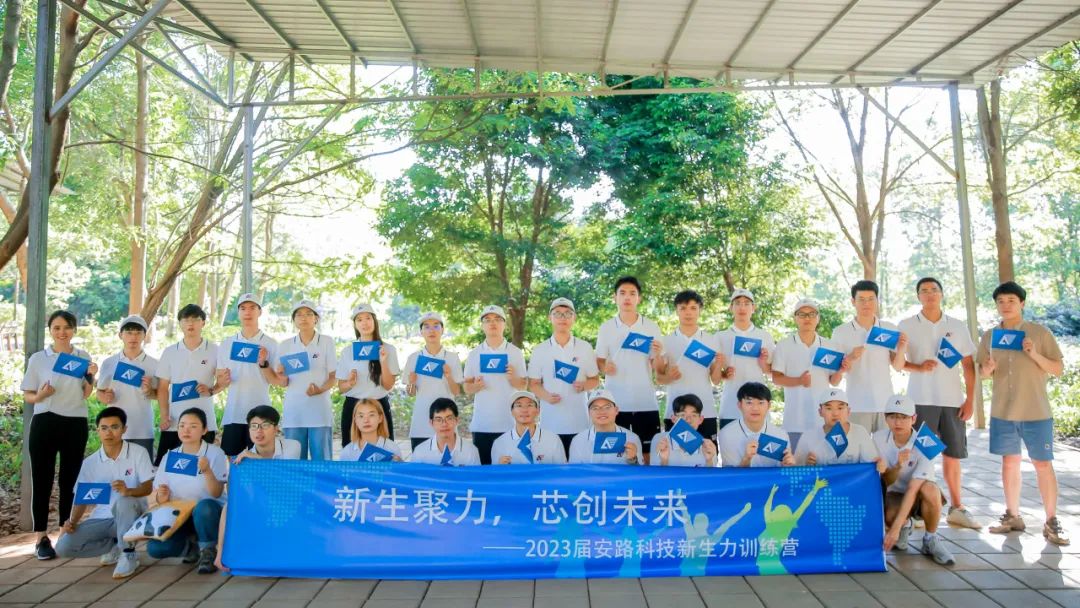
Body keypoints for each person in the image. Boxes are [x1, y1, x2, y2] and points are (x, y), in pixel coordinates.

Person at [978, 281, 1068, 545]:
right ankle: (1012, 516)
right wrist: (987, 368)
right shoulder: (990, 336)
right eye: (1001, 301)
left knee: (1042, 464)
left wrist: (1034, 354)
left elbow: (1057, 369)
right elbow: (983, 374)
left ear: (1022, 304)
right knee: (1009, 462)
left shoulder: (1039, 333)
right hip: (1003, 411)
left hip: (1035, 410)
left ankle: (1052, 521)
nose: (1005, 306)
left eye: (1011, 301)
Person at [898, 277, 981, 530]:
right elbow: (898, 363)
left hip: (952, 401)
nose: (930, 294)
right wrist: (918, 367)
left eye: (934, 290)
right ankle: (918, 510)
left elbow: (968, 365)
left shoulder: (957, 326)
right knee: (920, 455)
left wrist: (970, 399)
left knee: (952, 455)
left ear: (942, 294)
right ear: (918, 296)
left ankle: (957, 508)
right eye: (924, 290)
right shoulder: (906, 325)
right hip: (921, 400)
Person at [21, 310, 97, 560]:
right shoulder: (39, 359)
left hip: (75, 422)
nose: (62, 332)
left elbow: (86, 393)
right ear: (50, 331)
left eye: (67, 327)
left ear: (74, 329)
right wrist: (41, 396)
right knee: (42, 479)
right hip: (45, 421)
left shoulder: (83, 357)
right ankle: (41, 537)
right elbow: (28, 394)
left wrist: (91, 375)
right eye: (56, 328)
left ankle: (66, 530)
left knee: (70, 480)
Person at [54, 407, 154, 578]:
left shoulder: (138, 453)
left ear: (124, 429)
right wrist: (72, 522)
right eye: (104, 428)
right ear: (97, 431)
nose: (109, 432)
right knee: (63, 547)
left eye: (115, 427)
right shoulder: (90, 463)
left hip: (133, 516)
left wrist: (128, 491)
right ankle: (116, 546)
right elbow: (82, 499)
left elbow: (148, 488)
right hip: (102, 519)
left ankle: (128, 554)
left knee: (124, 501)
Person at [213, 405, 300, 573]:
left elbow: (285, 478)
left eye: (265, 425)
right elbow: (237, 494)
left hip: (289, 502)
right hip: (261, 506)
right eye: (254, 426)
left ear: (276, 428)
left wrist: (258, 460)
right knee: (229, 506)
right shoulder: (243, 459)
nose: (259, 431)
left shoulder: (292, 446)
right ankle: (221, 553)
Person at [148, 407, 229, 575]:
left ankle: (208, 550)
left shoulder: (215, 453)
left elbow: (216, 493)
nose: (186, 430)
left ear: (204, 430)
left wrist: (207, 471)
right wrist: (161, 496)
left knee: (205, 507)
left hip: (209, 515)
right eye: (182, 425)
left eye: (193, 426)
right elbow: (159, 497)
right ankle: (192, 548)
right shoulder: (169, 456)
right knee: (155, 548)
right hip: (180, 515)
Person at [877, 395, 954, 564]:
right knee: (887, 512)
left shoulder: (927, 442)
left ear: (914, 418)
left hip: (918, 494)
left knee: (930, 489)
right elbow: (886, 481)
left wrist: (893, 530)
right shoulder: (877, 439)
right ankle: (905, 525)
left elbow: (913, 489)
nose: (898, 422)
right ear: (885, 418)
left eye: (903, 417)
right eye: (893, 416)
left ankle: (930, 539)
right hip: (895, 494)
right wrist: (898, 466)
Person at [595, 276, 665, 460]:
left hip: (645, 401)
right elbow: (599, 361)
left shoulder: (651, 326)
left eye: (632, 293)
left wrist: (658, 354)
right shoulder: (606, 328)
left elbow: (658, 368)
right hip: (616, 404)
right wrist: (604, 367)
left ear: (638, 298)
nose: (627, 297)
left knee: (648, 454)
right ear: (615, 297)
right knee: (615, 454)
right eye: (623, 293)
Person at [829, 280, 908, 434]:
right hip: (856, 404)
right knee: (858, 448)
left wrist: (901, 349)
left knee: (885, 448)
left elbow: (898, 367)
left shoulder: (889, 328)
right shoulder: (840, 332)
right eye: (861, 299)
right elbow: (834, 380)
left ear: (877, 301)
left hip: (885, 405)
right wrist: (850, 357)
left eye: (871, 299)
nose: (867, 304)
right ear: (853, 302)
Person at [528, 298, 600, 455]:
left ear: (574, 318)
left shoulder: (585, 347)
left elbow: (595, 380)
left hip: (580, 422)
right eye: (557, 314)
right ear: (550, 318)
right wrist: (546, 396)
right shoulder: (540, 350)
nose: (563, 318)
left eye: (568, 313)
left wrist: (584, 385)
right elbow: (533, 384)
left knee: (578, 466)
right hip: (550, 423)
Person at [215, 293, 282, 457]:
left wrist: (264, 363)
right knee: (231, 462)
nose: (248, 312)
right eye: (243, 308)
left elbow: (276, 381)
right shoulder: (227, 344)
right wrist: (223, 380)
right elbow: (220, 380)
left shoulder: (271, 344)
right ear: (238, 313)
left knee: (260, 462)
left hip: (261, 414)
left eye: (252, 308)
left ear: (260, 312)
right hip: (233, 413)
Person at [771, 299, 843, 451]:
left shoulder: (830, 346)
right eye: (802, 314)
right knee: (795, 462)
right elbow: (776, 378)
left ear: (818, 318)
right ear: (795, 318)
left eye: (812, 314)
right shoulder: (784, 345)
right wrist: (799, 381)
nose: (807, 318)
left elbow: (834, 381)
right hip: (794, 420)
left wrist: (841, 370)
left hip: (823, 421)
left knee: (821, 461)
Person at [155, 304, 222, 465]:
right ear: (180, 323)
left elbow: (223, 381)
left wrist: (211, 390)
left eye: (195, 319)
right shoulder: (170, 352)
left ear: (203, 323)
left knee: (201, 467)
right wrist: (164, 415)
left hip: (204, 421)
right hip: (175, 422)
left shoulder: (215, 350)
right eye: (186, 320)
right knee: (167, 466)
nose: (190, 323)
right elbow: (162, 388)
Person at [656, 290, 725, 440]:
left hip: (705, 412)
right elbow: (659, 379)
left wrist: (719, 363)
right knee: (676, 452)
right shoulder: (666, 341)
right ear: (677, 311)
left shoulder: (711, 340)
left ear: (700, 310)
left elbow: (716, 380)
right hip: (676, 413)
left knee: (708, 452)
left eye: (693, 308)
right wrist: (670, 377)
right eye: (683, 308)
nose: (688, 312)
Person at [463, 305, 527, 464]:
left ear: (505, 324)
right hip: (482, 425)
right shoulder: (474, 354)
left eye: (498, 319)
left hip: (510, 424)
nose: (493, 323)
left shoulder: (515, 352)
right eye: (488, 320)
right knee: (484, 471)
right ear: (482, 326)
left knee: (509, 470)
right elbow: (467, 388)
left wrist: (513, 378)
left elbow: (523, 386)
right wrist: (476, 386)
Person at [275, 300, 337, 460]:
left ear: (316, 318)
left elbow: (333, 377)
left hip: (320, 411)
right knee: (295, 461)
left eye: (309, 314)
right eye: (299, 315)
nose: (304, 318)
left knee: (322, 461)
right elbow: (283, 383)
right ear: (294, 320)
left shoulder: (326, 342)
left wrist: (320, 390)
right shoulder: (285, 345)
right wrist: (281, 375)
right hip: (294, 412)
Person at [337, 304, 399, 446]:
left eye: (368, 318)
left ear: (374, 321)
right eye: (359, 320)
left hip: (378, 405)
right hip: (354, 406)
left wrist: (383, 361)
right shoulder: (348, 351)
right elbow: (341, 387)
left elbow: (388, 385)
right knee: (352, 451)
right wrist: (349, 383)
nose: (364, 323)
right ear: (355, 325)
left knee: (383, 450)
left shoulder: (388, 349)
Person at [96, 315, 158, 457]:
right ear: (120, 335)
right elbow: (100, 392)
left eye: (138, 333)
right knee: (114, 466)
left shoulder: (154, 364)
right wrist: (106, 397)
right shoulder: (109, 363)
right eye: (129, 332)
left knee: (143, 468)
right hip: (114, 427)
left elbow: (160, 394)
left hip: (142, 427)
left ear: (145, 336)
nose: (133, 337)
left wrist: (149, 392)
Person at [716, 289, 775, 432]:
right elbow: (714, 376)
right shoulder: (720, 336)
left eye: (747, 303)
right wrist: (724, 374)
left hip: (758, 406)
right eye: (737, 303)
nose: (742, 307)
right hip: (730, 404)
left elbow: (771, 372)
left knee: (759, 445)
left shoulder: (764, 336)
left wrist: (763, 362)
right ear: (731, 308)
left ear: (753, 308)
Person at [405, 312, 464, 449]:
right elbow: (411, 393)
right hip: (421, 420)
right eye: (426, 327)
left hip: (446, 421)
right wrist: (411, 382)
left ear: (442, 330)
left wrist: (448, 376)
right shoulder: (414, 358)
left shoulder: (452, 357)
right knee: (420, 461)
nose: (431, 330)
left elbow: (456, 391)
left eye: (436, 326)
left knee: (448, 459)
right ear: (421, 332)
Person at [794, 389, 883, 469]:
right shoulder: (808, 437)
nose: (835, 413)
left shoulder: (860, 432)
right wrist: (806, 465)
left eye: (840, 408)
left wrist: (879, 464)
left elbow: (872, 465)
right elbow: (795, 470)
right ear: (820, 412)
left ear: (848, 411)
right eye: (829, 408)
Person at [718, 382, 795, 467]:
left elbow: (783, 470)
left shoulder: (781, 435)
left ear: (769, 405)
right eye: (749, 403)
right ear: (739, 405)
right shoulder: (727, 434)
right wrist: (746, 459)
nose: (755, 408)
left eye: (761, 403)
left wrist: (788, 465)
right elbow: (731, 474)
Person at [491, 391, 569, 464]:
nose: (524, 410)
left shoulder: (553, 439)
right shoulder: (499, 443)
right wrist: (500, 467)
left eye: (529, 405)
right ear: (512, 412)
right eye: (519, 405)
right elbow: (494, 473)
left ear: (538, 411)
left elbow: (562, 470)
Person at [568, 390, 643, 464]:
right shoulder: (578, 441)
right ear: (589, 413)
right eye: (595, 408)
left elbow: (640, 471)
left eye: (607, 407)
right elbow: (574, 471)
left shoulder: (632, 438)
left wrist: (633, 460)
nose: (601, 411)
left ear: (616, 410)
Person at [650, 394, 718, 467]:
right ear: (673, 419)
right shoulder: (660, 440)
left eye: (694, 415)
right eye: (682, 415)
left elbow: (710, 474)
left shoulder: (707, 446)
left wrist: (709, 461)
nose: (688, 420)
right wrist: (664, 460)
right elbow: (655, 474)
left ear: (700, 420)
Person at [409, 398, 480, 465]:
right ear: (431, 423)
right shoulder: (420, 452)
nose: (444, 424)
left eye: (449, 418)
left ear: (457, 420)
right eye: (438, 420)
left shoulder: (471, 451)